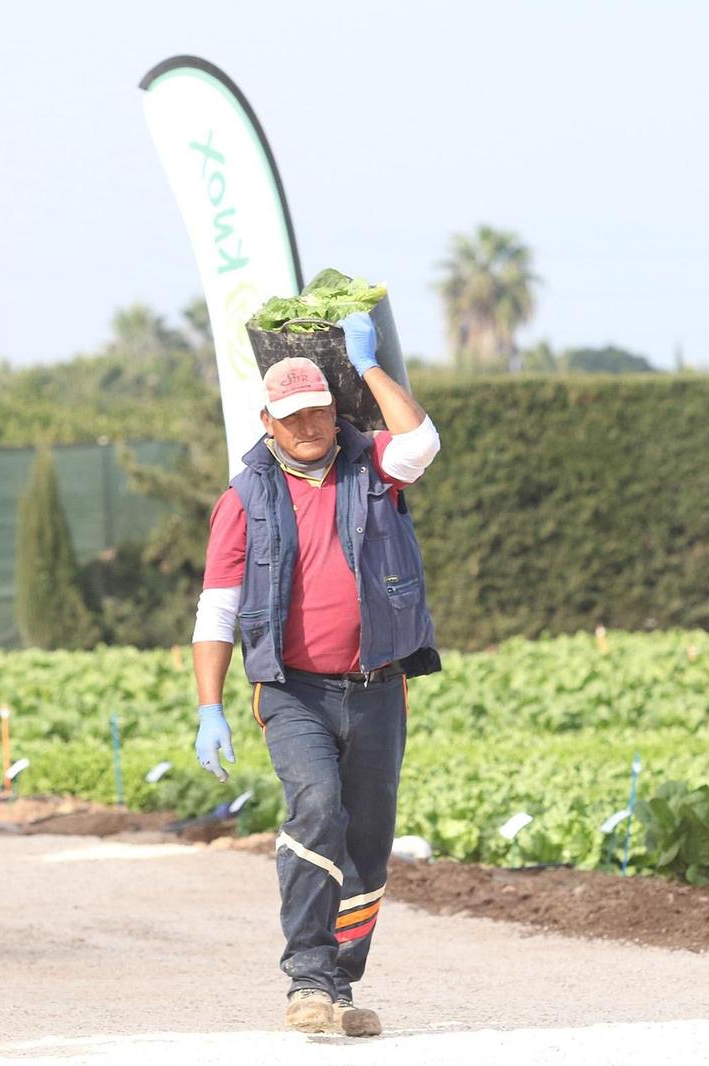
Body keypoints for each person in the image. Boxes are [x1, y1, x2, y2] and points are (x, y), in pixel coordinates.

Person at [191, 312, 442, 1038]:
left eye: (320, 411)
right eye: (293, 415)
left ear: (336, 412)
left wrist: (367, 367)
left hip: (377, 687)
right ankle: (306, 974)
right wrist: (211, 705)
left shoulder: (373, 468)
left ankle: (339, 983)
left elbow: (422, 441)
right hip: (293, 688)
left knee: (367, 838)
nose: (309, 426)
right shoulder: (244, 500)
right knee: (317, 807)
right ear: (269, 421)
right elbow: (216, 609)